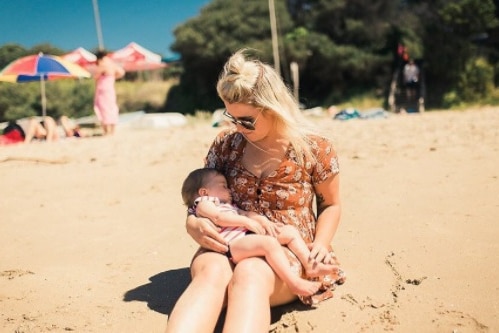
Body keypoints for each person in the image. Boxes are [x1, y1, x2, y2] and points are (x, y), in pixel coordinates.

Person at [165, 49, 344, 333]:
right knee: (211, 272)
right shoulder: (226, 144)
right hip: (231, 241)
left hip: (287, 251)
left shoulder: (315, 148)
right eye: (231, 117)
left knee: (251, 274)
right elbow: (202, 194)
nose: (237, 126)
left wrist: (321, 244)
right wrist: (193, 222)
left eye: (246, 120)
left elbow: (331, 205)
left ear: (272, 108)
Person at [182, 167, 338, 296]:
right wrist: (246, 222)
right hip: (232, 244)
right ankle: (293, 282)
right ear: (203, 192)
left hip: (246, 237)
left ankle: (310, 265)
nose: (229, 190)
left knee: (289, 232)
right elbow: (218, 218)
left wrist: (261, 220)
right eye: (223, 186)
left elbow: (245, 213)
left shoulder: (229, 206)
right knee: (268, 244)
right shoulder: (204, 204)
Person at [93, 50, 125, 136]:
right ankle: (113, 131)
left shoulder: (103, 64)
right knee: (112, 108)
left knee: (103, 109)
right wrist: (113, 76)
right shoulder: (112, 64)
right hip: (110, 88)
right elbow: (122, 72)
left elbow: (95, 76)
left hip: (102, 89)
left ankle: (107, 131)